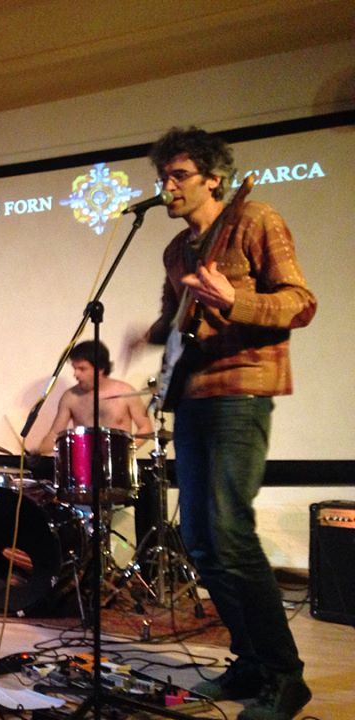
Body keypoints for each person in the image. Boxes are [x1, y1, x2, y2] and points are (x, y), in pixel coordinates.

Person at [134, 127, 316, 720]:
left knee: (230, 531)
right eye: (163, 177)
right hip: (192, 396)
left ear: (214, 178)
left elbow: (299, 301)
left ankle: (286, 676)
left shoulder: (255, 218)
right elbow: (175, 319)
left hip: (242, 390)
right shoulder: (176, 251)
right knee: (201, 540)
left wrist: (233, 300)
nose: (168, 187)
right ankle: (250, 662)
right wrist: (149, 335)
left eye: (179, 175)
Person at [35, 340, 153, 456]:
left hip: (119, 462)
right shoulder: (70, 397)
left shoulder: (126, 392)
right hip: (84, 462)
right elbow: (55, 434)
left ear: (100, 369)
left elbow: (146, 427)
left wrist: (127, 450)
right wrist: (36, 452)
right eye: (74, 368)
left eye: (82, 369)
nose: (76, 374)